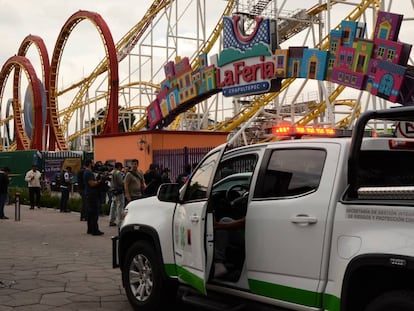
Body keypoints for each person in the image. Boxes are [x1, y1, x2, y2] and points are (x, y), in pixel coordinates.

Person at [83, 159, 104, 236]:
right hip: (92, 194)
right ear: (89, 164)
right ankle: (95, 230)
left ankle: (90, 229)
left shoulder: (87, 172)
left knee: (90, 213)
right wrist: (99, 181)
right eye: (92, 163)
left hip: (89, 193)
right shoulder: (88, 172)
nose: (93, 164)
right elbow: (92, 183)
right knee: (94, 212)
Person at [109, 162, 125, 227]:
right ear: (119, 167)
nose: (121, 169)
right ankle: (120, 222)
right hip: (118, 191)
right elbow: (121, 183)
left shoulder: (111, 172)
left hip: (112, 190)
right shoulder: (118, 173)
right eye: (121, 167)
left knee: (113, 206)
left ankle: (111, 220)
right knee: (120, 206)